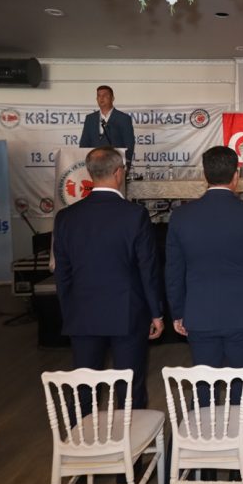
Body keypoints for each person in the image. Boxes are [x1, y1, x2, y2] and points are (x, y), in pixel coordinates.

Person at [52, 147, 163, 408]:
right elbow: (147, 268)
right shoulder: (134, 215)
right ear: (118, 173)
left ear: (90, 173)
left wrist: (70, 311)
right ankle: (132, 435)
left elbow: (62, 273)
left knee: (84, 388)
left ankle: (83, 434)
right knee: (129, 387)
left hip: (82, 314)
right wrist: (156, 313)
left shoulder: (66, 217)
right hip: (128, 313)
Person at [165, 146, 243, 404]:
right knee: (241, 388)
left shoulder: (181, 216)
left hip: (199, 314)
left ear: (205, 175)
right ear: (236, 176)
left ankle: (204, 430)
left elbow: (173, 271)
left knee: (204, 388)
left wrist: (178, 311)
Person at [80, 84, 135, 163]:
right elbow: (84, 143)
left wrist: (126, 164)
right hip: (94, 164)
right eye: (99, 96)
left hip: (115, 164)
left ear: (112, 98)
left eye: (105, 95)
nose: (101, 98)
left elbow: (129, 144)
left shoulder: (123, 118)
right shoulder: (90, 118)